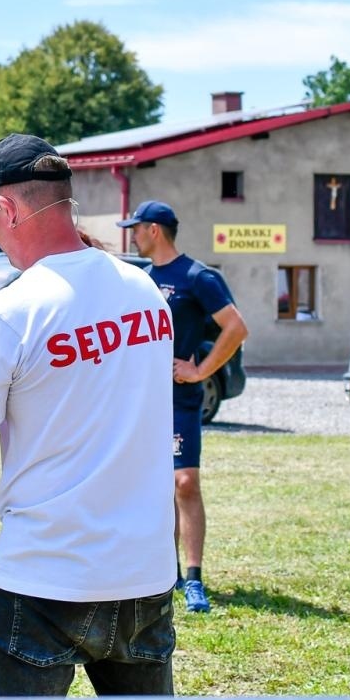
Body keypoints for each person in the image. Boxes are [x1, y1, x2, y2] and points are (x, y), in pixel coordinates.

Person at [0, 134, 178, 697]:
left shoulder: (9, 313)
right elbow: (84, 381)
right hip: (144, 577)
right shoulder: (144, 291)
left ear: (7, 208)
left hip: (45, 577)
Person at [118, 200, 248, 615]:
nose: (132, 236)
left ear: (154, 230)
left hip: (180, 400)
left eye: (136, 228)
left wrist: (200, 371)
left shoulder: (197, 276)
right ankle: (166, 572)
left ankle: (194, 578)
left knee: (185, 482)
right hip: (143, 401)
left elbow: (236, 327)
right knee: (153, 487)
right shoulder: (141, 279)